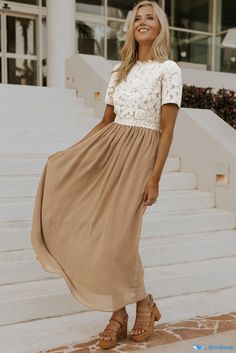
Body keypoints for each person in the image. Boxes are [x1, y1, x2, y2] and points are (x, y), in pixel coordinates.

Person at [30, 0, 182, 350]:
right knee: (108, 236)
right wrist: (75, 153)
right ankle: (130, 307)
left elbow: (167, 129)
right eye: (137, 19)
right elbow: (106, 121)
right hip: (110, 149)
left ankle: (128, 309)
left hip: (141, 154)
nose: (143, 23)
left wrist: (154, 177)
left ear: (160, 28)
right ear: (131, 28)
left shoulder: (168, 69)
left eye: (150, 18)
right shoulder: (119, 71)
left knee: (119, 238)